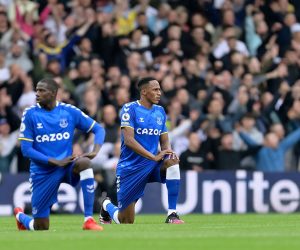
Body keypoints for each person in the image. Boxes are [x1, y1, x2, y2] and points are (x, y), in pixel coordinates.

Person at [14, 78, 106, 231]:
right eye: (37, 90)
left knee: (84, 163)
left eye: (42, 90)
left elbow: (99, 129)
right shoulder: (30, 114)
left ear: (54, 93)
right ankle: (20, 216)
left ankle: (88, 220)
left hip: (66, 166)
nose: (37, 94)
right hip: (43, 171)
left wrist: (95, 151)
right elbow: (26, 149)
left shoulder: (69, 111)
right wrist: (55, 162)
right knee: (41, 227)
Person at [99, 77, 184, 224]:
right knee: (125, 220)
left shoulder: (160, 111)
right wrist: (153, 157)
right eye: (155, 89)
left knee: (172, 161)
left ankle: (172, 214)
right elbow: (129, 140)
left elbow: (164, 140)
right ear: (144, 91)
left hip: (151, 165)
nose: (159, 93)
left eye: (159, 89)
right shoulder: (129, 109)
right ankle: (106, 205)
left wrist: (168, 151)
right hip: (131, 168)